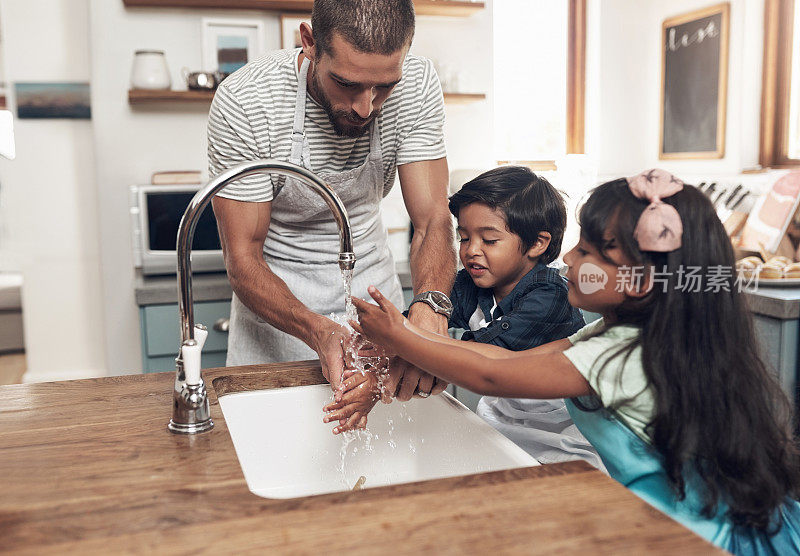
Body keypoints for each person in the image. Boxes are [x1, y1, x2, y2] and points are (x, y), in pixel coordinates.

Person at [349, 169, 800, 553]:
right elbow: (492, 355)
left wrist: (403, 338)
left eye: (587, 251)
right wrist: (407, 336)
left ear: (639, 281)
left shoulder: (621, 357)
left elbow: (493, 374)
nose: (568, 258)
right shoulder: (619, 335)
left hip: (693, 540)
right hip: (673, 524)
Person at [207, 0, 457, 420]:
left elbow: (433, 218)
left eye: (384, 87)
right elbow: (243, 259)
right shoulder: (247, 102)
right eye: (347, 84)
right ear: (309, 43)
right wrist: (316, 329)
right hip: (277, 318)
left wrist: (429, 312)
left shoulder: (416, 83)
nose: (366, 106)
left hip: (376, 298)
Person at [325, 166, 600, 468]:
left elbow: (474, 359)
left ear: (538, 243)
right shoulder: (472, 285)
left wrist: (384, 369)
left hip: (564, 439)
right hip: (503, 427)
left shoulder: (550, 297)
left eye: (490, 240)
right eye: (465, 238)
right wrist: (375, 342)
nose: (471, 251)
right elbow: (421, 328)